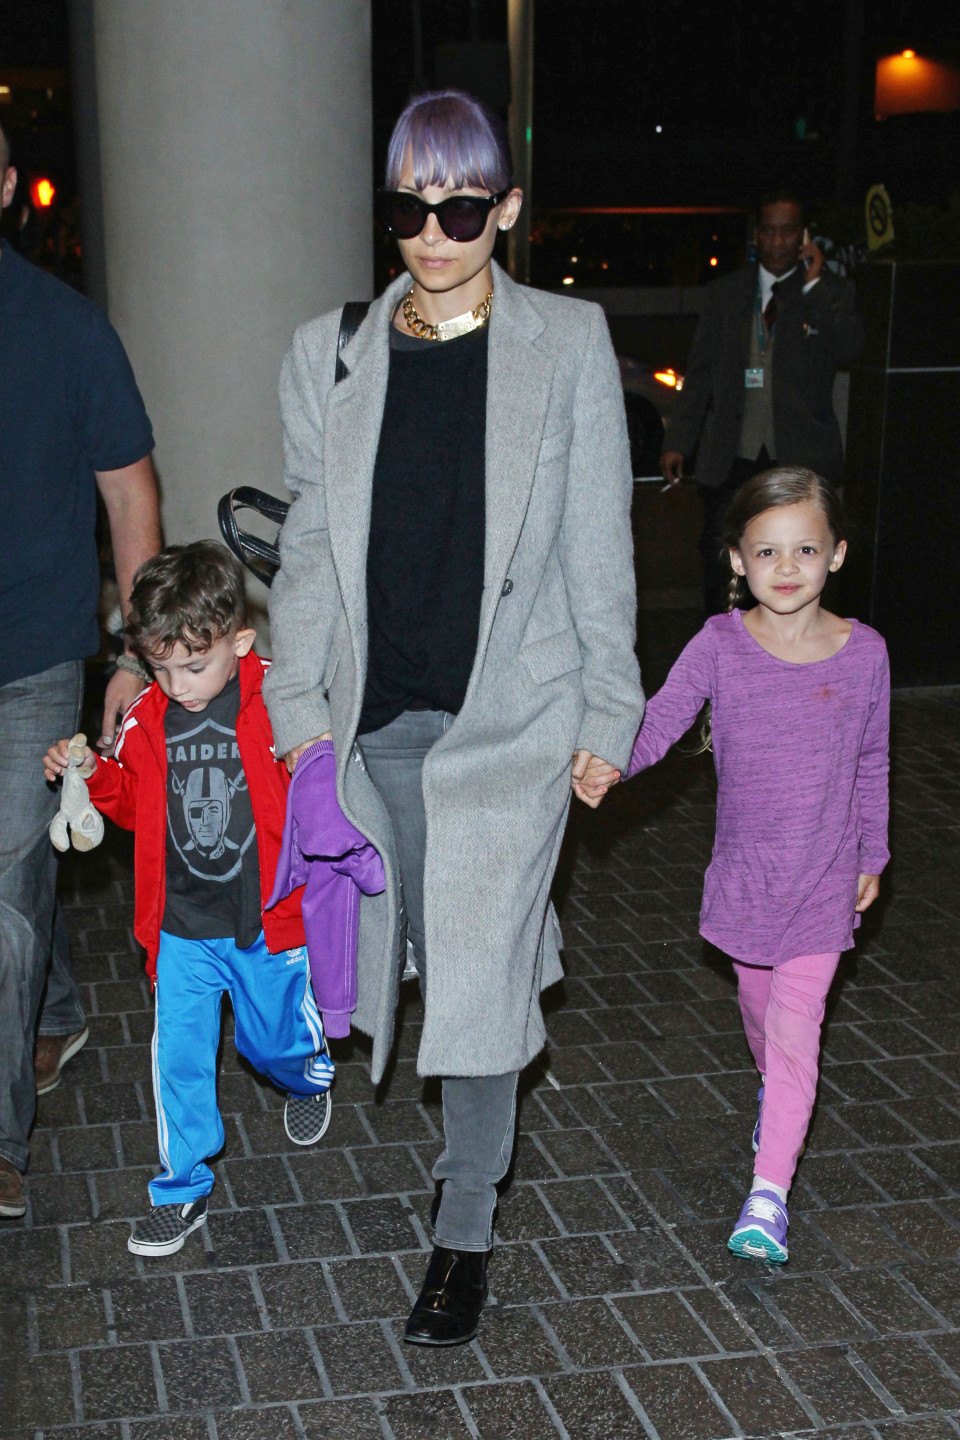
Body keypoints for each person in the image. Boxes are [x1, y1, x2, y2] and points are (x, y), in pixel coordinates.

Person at [263, 90, 643, 1344]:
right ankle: (487, 994)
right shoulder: (329, 354)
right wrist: (298, 720)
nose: (433, 232)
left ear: (507, 209)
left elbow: (600, 539)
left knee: (474, 978)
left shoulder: (569, 341)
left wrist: (608, 704)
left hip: (512, 721)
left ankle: (464, 1227)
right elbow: (311, 554)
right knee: (423, 953)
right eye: (410, 208)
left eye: (462, 208)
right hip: (380, 724)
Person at [581, 467, 890, 1262]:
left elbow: (873, 760)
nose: (786, 568)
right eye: (767, 552)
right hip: (751, 879)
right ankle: (773, 1102)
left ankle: (768, 1195)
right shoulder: (720, 644)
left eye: (805, 549)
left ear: (838, 555)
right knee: (761, 1017)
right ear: (737, 562)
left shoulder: (865, 655)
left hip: (825, 878)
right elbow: (661, 720)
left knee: (795, 1032)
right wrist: (611, 762)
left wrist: (874, 852)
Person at [43, 543, 334, 1258]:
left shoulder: (278, 699)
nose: (178, 685)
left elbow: (320, 785)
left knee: (270, 1041)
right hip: (181, 926)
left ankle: (306, 1072)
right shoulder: (148, 716)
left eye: (195, 666)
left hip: (264, 919)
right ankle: (182, 1187)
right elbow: (134, 803)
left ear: (239, 639)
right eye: (162, 667)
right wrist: (84, 773)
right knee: (179, 1057)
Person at [0, 118, 161, 1219]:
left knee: (6, 899)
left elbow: (130, 495)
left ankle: (0, 1136)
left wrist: (140, 656)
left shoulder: (66, 329)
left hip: (31, 658)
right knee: (19, 897)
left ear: (6, 184)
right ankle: (52, 1009)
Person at [660, 190, 865, 615]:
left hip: (799, 459)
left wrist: (815, 283)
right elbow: (699, 373)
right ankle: (722, 655)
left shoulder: (828, 294)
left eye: (787, 231)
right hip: (732, 456)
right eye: (769, 231)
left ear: (803, 237)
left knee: (797, 566)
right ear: (757, 236)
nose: (777, 242)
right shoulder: (726, 294)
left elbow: (850, 347)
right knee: (724, 562)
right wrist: (678, 440)